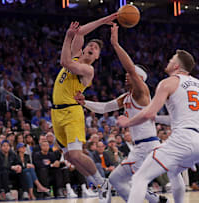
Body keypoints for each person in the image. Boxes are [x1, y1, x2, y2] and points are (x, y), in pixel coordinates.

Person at [75, 23, 166, 203]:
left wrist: (115, 44)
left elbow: (131, 68)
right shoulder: (126, 96)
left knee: (122, 180)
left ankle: (154, 201)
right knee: (119, 180)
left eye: (130, 74)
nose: (126, 75)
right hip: (141, 147)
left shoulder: (142, 92)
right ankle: (156, 201)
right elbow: (105, 107)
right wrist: (85, 103)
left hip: (147, 147)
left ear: (139, 79)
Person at [117, 49, 199, 203]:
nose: (169, 61)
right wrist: (158, 118)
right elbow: (179, 118)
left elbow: (147, 113)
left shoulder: (168, 83)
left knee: (140, 177)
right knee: (174, 172)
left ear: (177, 66)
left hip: (183, 139)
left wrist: (128, 122)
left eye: (172, 59)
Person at [51, 13, 117, 202]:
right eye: (90, 45)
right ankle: (98, 184)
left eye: (95, 48)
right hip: (56, 113)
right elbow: (80, 32)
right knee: (70, 158)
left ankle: (102, 183)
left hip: (72, 112)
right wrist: (103, 21)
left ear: (96, 57)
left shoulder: (88, 69)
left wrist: (68, 36)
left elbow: (64, 62)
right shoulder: (76, 56)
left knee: (75, 154)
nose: (92, 47)